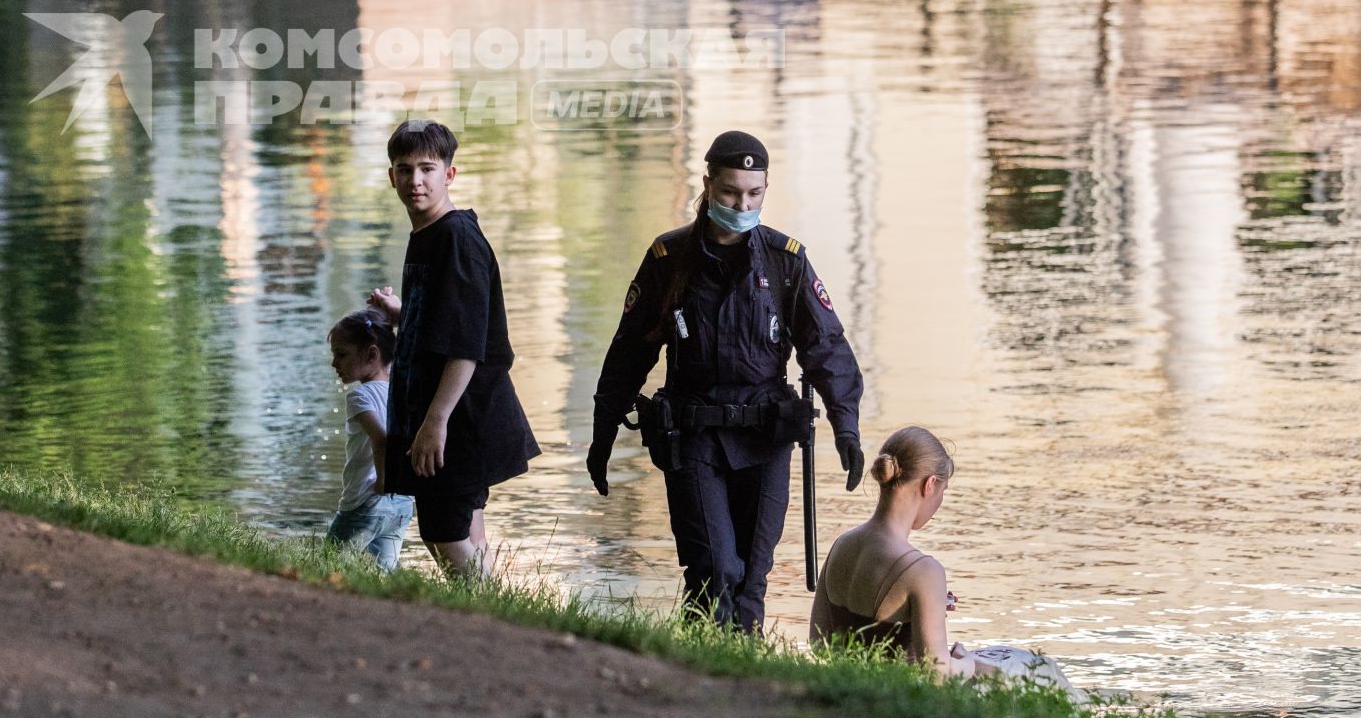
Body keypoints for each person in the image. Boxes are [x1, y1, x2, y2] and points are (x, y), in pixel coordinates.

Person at [586, 129, 864, 630]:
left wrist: (847, 426)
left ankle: (743, 677)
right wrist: (603, 431)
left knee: (753, 575)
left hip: (766, 435)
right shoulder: (669, 262)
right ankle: (700, 668)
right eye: (731, 192)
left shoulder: (785, 261)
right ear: (708, 184)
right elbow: (630, 352)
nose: (742, 204)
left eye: (754, 194)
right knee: (714, 569)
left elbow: (826, 348)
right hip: (694, 436)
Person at [367, 119, 539, 578]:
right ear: (392, 177)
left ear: (450, 174)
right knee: (465, 529)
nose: (415, 180)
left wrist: (434, 423)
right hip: (448, 414)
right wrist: (403, 313)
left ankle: (497, 622)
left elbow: (467, 345)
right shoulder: (431, 235)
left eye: (427, 168)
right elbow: (451, 320)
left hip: (460, 417)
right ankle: (492, 622)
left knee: (444, 532)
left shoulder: (457, 239)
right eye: (404, 170)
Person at [809, 427, 971, 673]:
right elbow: (938, 675)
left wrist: (926, 605)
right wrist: (967, 662)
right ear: (930, 485)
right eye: (943, 491)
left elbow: (818, 642)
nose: (940, 502)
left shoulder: (841, 545)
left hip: (846, 693)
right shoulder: (924, 571)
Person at [323, 308, 414, 573]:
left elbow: (382, 440)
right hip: (402, 503)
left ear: (372, 354)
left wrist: (383, 482)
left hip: (365, 501)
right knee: (383, 572)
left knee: (330, 567)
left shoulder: (359, 396)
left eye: (341, 354)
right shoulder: (402, 388)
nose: (334, 364)